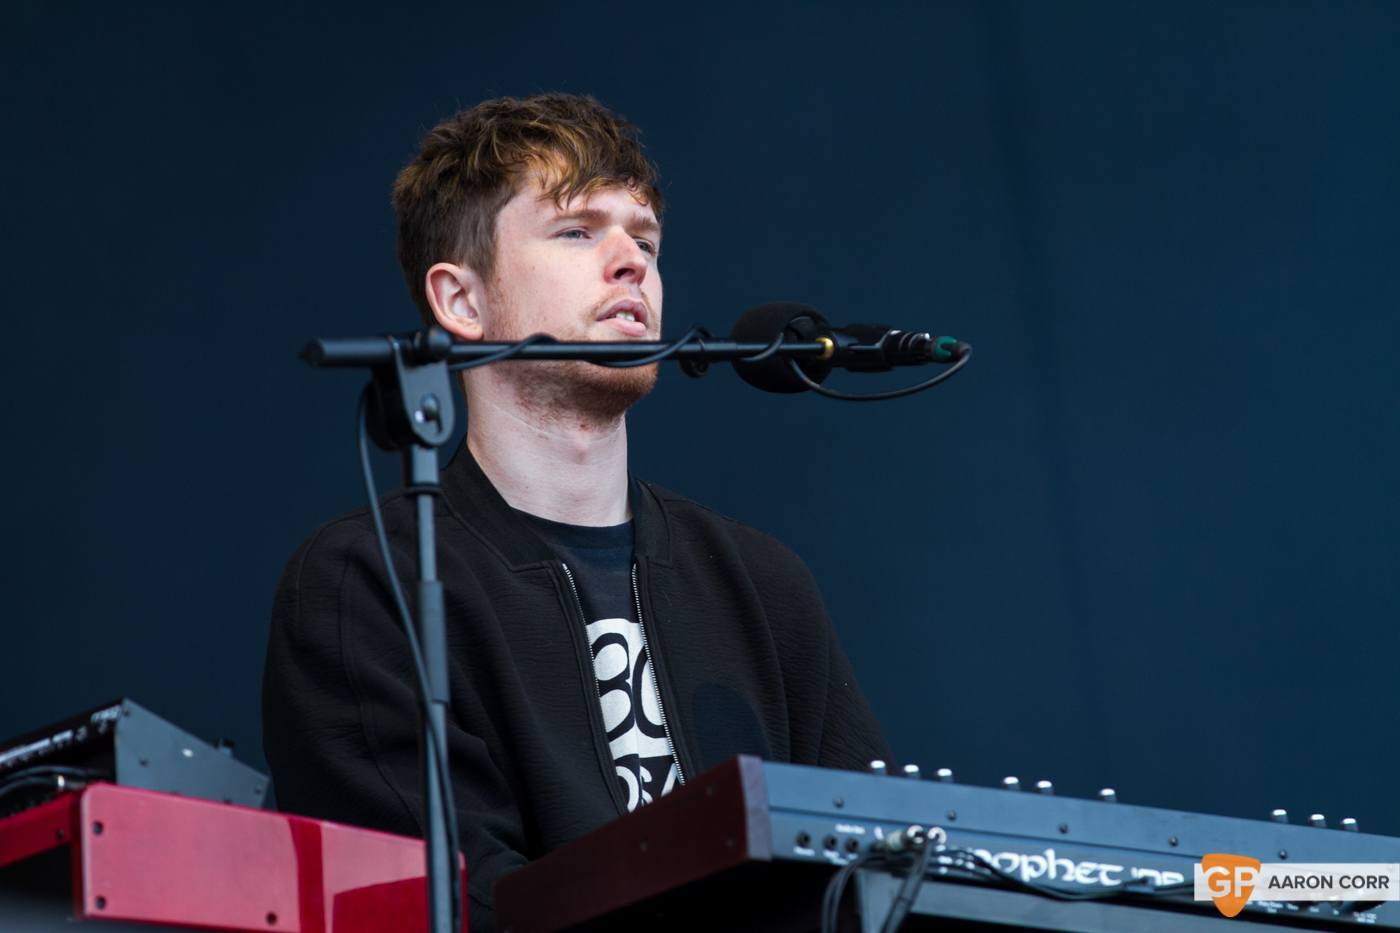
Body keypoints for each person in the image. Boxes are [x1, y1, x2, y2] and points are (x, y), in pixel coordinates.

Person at [262, 93, 892, 932]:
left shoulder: (763, 585)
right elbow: (455, 901)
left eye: (647, 238)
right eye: (576, 230)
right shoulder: (369, 583)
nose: (631, 259)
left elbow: (880, 877)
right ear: (460, 301)